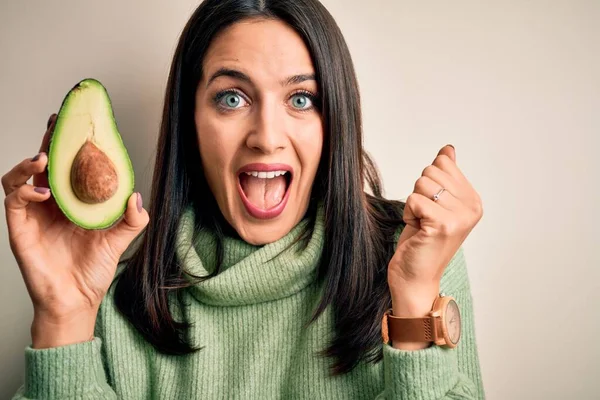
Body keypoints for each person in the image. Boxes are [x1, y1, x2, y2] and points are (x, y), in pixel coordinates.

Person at [4, 0, 485, 398]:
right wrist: (64, 316)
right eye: (232, 98)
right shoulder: (112, 287)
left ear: (334, 120)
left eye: (301, 99)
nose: (267, 137)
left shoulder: (415, 252)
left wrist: (415, 302)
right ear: (189, 122)